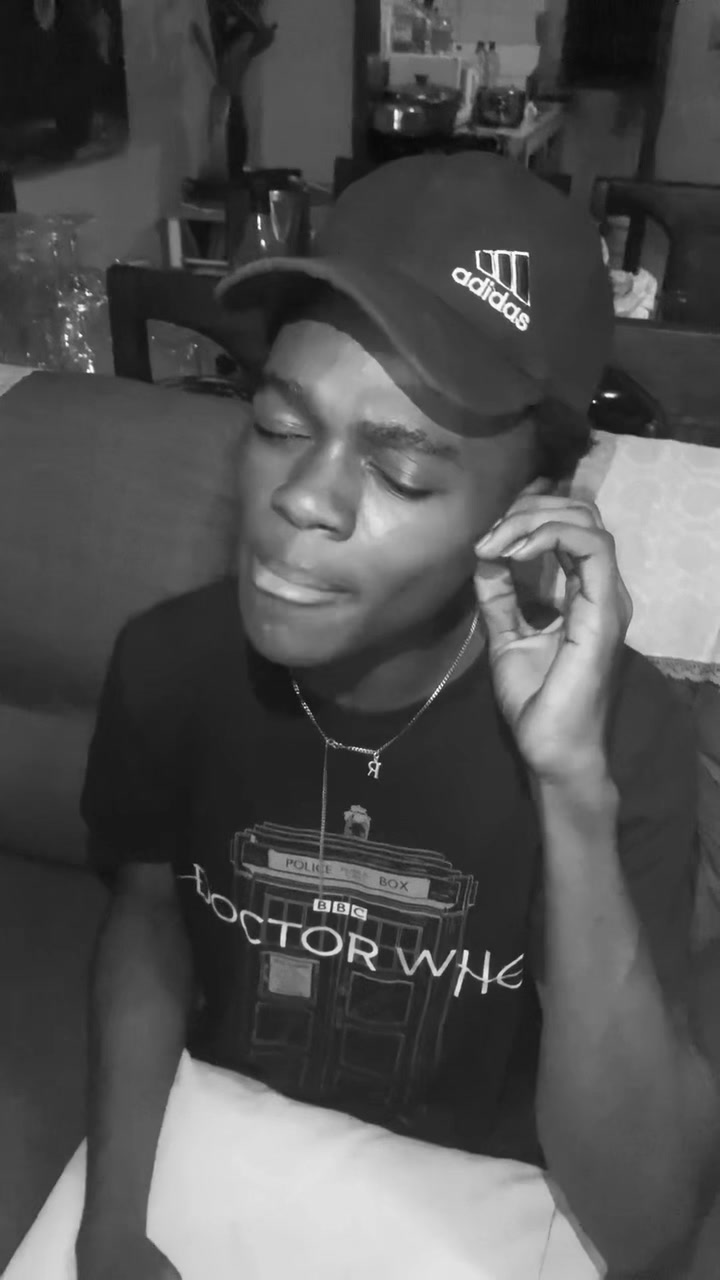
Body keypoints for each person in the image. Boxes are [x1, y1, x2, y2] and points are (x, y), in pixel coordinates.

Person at [75, 154, 719, 1280]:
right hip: (235, 1149)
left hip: (479, 1206)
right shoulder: (168, 664)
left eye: (403, 475)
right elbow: (149, 907)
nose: (301, 500)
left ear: (531, 513)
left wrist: (569, 788)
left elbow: (648, 1225)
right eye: (280, 423)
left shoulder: (625, 736)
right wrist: (111, 1223)